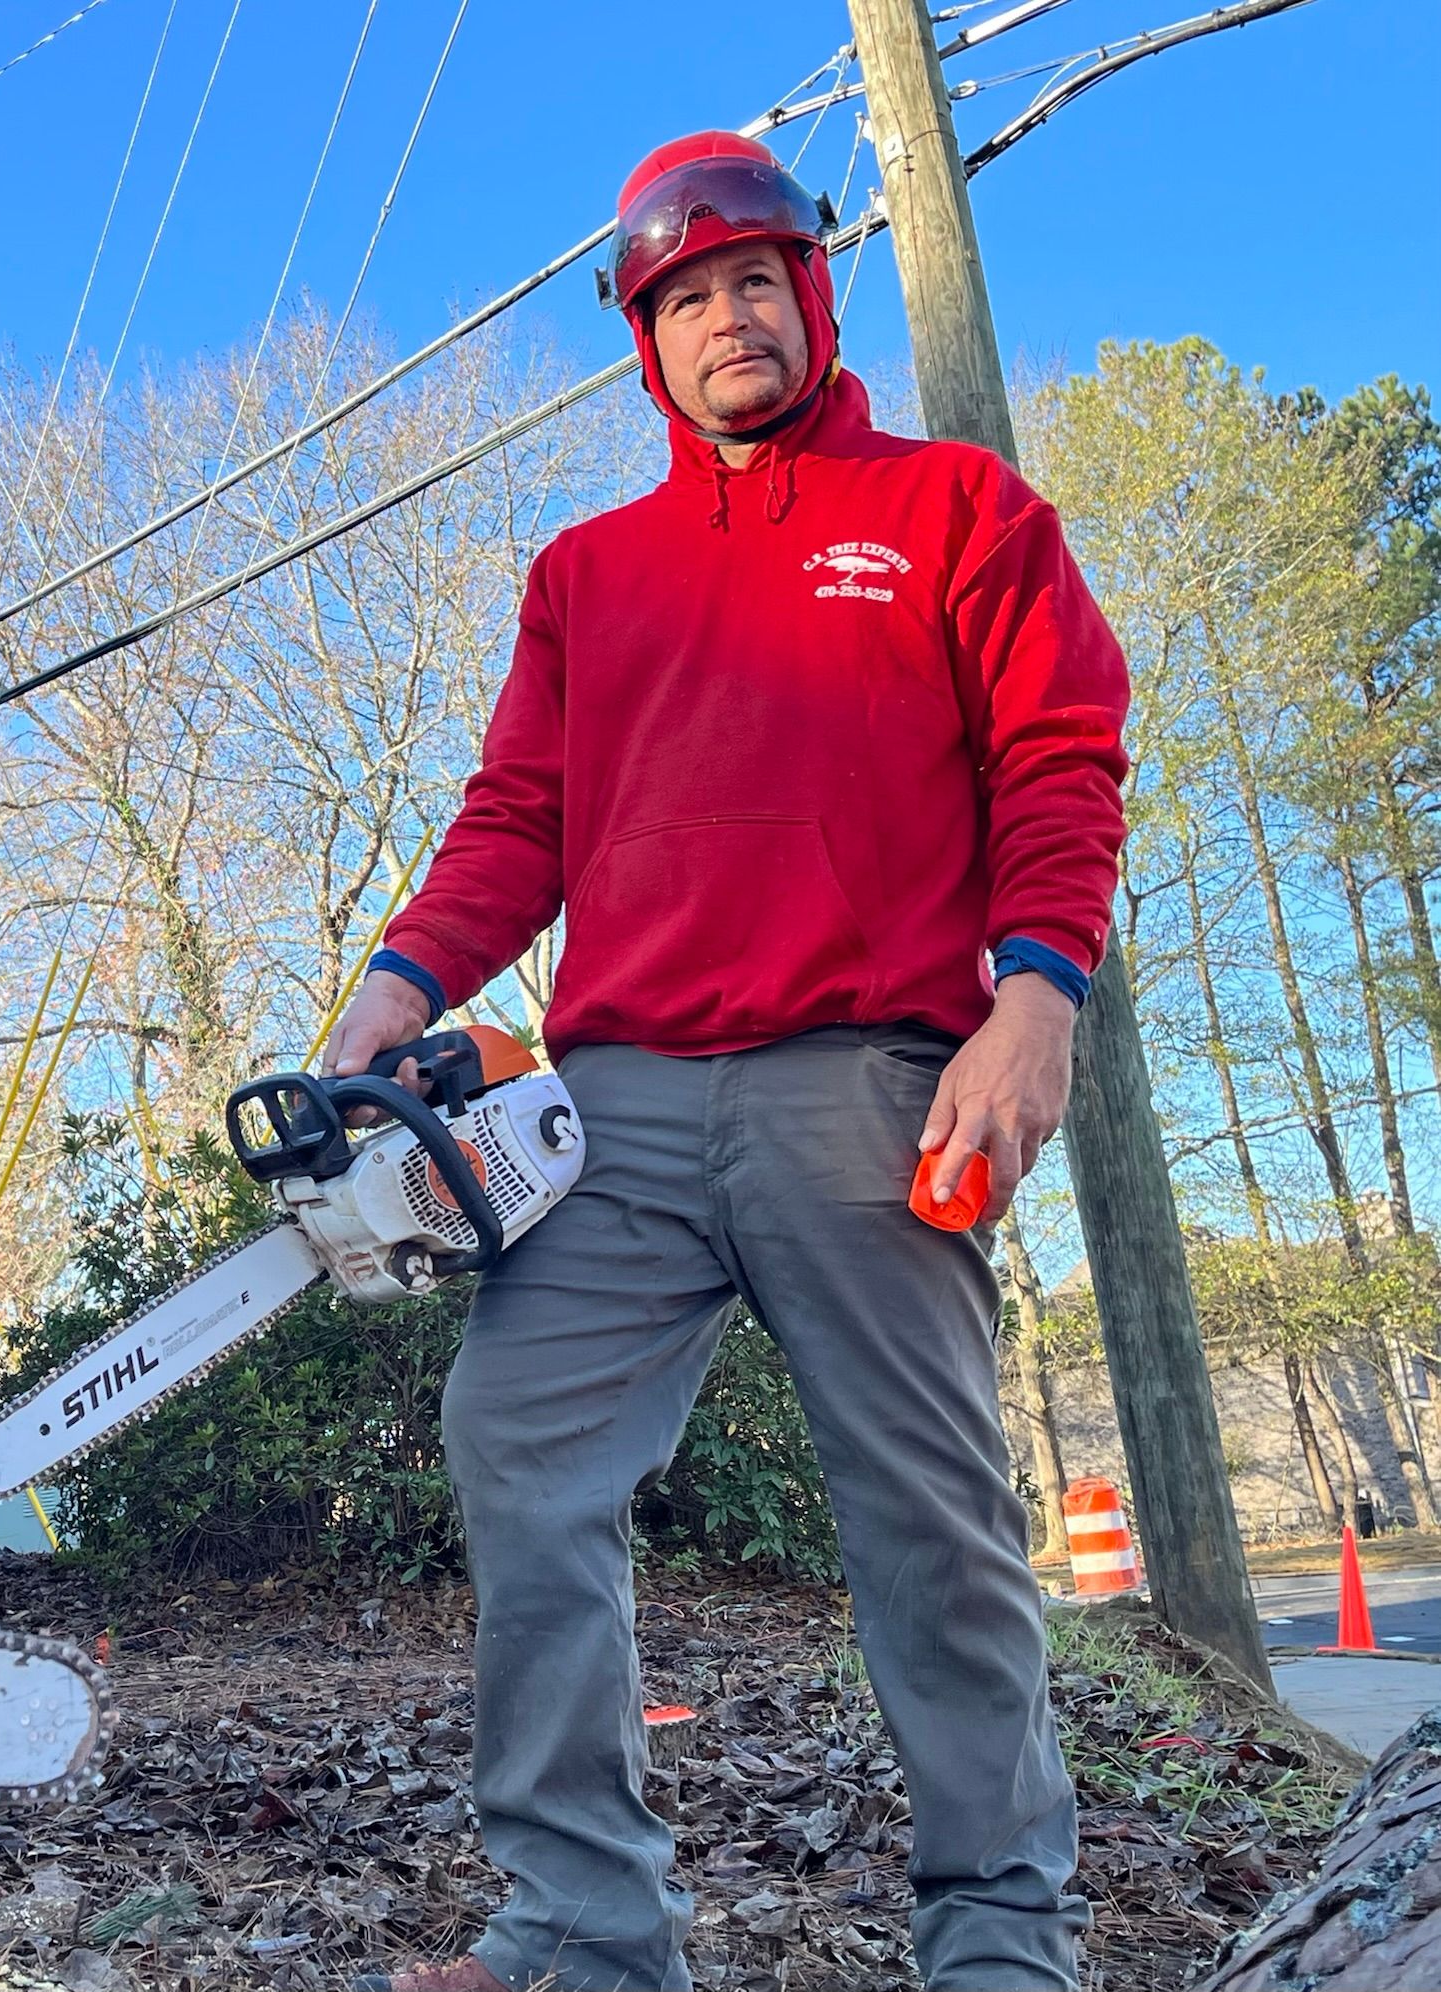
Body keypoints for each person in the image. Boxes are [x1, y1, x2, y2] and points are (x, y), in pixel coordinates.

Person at [326, 130, 1130, 1992]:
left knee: (928, 1510)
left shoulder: (954, 511)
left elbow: (1060, 760)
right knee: (514, 1447)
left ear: (810, 291)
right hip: (608, 1110)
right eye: (684, 298)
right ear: (645, 339)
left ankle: (999, 1936)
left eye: (754, 280)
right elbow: (516, 812)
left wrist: (1035, 1004)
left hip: (871, 1078)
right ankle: (582, 1928)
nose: (726, 319)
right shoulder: (588, 573)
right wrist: (395, 984)